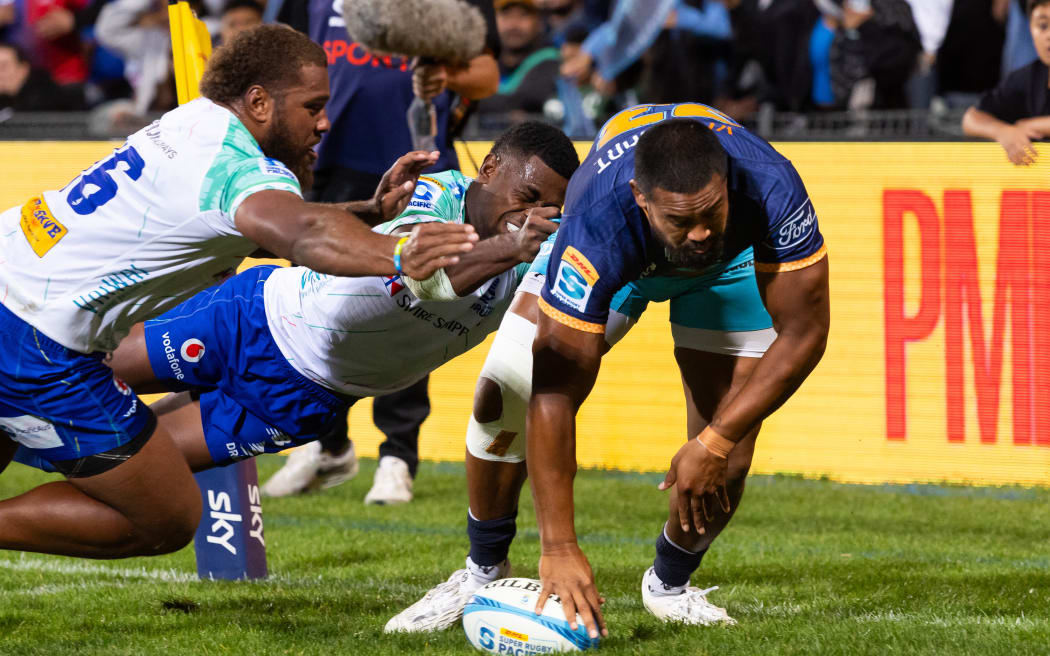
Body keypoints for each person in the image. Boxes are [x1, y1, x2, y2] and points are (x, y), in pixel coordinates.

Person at [0, 24, 476, 561]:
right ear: (258, 101)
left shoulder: (194, 121)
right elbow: (301, 231)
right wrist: (396, 254)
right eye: (313, 106)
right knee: (166, 516)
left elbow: (254, 226)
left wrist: (367, 213)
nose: (324, 123)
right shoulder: (244, 168)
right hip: (33, 338)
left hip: (11, 277)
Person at [386, 104, 830, 634]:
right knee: (508, 387)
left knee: (727, 458)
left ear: (728, 184)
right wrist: (559, 546)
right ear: (641, 198)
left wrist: (714, 441)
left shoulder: (772, 186)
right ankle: (482, 571)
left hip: (728, 269)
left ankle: (669, 583)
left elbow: (805, 332)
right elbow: (554, 392)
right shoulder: (595, 218)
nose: (698, 234)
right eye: (680, 220)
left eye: (710, 212)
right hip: (622, 261)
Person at [48, 124, 579, 495]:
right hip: (251, 319)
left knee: (124, 464)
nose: (531, 216)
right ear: (488, 168)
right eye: (527, 195)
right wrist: (513, 248)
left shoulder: (538, 253)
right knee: (62, 377)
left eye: (548, 210)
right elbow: (427, 279)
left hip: (305, 398)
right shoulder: (433, 194)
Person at [262, 0, 502, 505]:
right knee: (316, 307)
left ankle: (397, 456)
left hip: (419, 168)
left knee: (410, 306)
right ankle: (321, 444)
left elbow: (487, 75)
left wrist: (446, 72)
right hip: (325, 161)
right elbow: (278, 57)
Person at [963, 0, 1050, 165]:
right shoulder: (1027, 76)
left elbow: (1031, 127)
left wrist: (1033, 125)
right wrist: (1003, 132)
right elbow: (971, 119)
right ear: (1030, 29)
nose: (1049, 35)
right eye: (1043, 26)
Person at [475, 0, 561, 125]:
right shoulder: (485, 60)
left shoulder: (549, 59)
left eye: (523, 15)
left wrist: (479, 99)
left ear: (538, 22)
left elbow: (527, 98)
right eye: (506, 15)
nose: (513, 24)